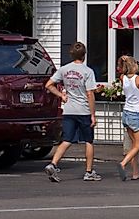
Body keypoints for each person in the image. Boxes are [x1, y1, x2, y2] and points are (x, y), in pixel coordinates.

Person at [43, 42, 101, 182]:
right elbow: (90, 94)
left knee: (67, 139)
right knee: (88, 141)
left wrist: (61, 95)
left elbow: (49, 84)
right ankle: (88, 171)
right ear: (84, 55)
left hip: (69, 110)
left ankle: (53, 163)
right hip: (83, 110)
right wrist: (93, 114)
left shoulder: (64, 69)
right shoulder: (87, 71)